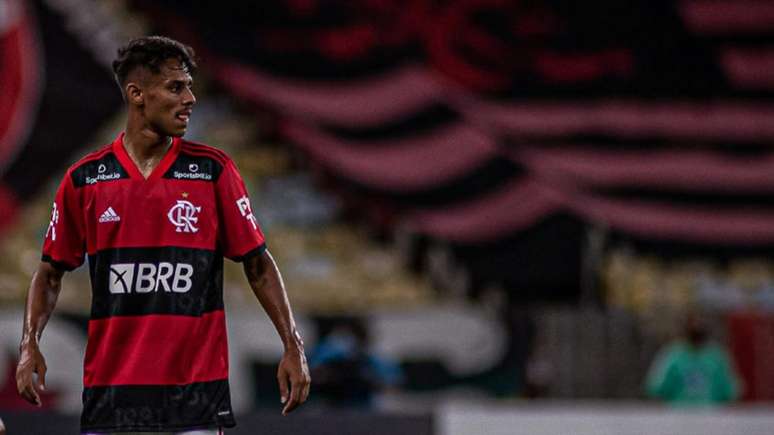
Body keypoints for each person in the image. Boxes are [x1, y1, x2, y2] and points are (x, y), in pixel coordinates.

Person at [15, 36, 310, 434]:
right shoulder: (85, 180)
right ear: (137, 95)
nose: (190, 98)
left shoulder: (213, 172)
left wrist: (293, 345)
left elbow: (258, 264)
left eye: (189, 86)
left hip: (195, 401)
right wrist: (29, 343)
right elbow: (49, 273)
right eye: (176, 87)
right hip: (113, 399)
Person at [645, 311, 740, 406]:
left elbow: (730, 391)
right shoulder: (673, 355)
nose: (697, 328)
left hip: (711, 415)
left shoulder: (716, 356)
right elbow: (657, 388)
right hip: (677, 415)